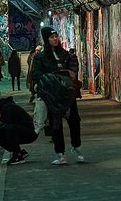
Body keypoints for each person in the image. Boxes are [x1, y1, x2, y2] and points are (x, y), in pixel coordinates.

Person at [32, 27, 84, 165]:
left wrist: (63, 73)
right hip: (52, 95)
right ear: (46, 39)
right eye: (51, 37)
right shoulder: (40, 58)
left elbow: (72, 72)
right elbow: (37, 75)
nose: (55, 39)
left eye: (56, 36)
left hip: (67, 93)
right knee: (56, 124)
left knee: (74, 120)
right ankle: (60, 154)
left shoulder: (66, 55)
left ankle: (77, 147)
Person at [0, 89, 38, 165]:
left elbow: (4, 125)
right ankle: (18, 152)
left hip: (30, 132)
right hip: (19, 130)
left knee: (9, 129)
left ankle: (18, 156)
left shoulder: (7, 107)